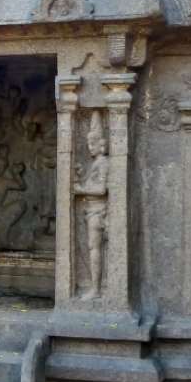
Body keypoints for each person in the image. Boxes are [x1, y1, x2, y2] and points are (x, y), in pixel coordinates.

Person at [74, 112, 109, 297]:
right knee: (91, 248)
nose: (89, 147)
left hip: (98, 211)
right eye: (88, 144)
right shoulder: (96, 163)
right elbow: (92, 184)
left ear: (101, 145)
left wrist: (81, 191)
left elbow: (102, 189)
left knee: (94, 248)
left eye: (92, 144)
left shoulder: (103, 163)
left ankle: (96, 289)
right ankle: (95, 287)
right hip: (91, 210)